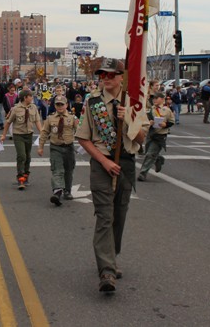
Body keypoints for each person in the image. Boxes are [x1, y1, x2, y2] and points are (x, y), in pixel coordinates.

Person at [76, 58, 147, 293]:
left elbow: (141, 139)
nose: (105, 79)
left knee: (119, 216)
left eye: (110, 75)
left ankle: (111, 257)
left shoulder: (134, 104)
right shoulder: (93, 103)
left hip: (125, 164)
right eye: (102, 75)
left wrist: (127, 118)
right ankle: (106, 271)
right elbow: (84, 138)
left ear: (121, 77)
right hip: (102, 164)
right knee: (104, 217)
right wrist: (105, 161)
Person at [38, 94, 79, 205]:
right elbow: (44, 133)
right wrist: (40, 147)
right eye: (57, 105)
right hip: (56, 147)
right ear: (55, 106)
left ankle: (67, 191)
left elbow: (79, 132)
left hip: (69, 148)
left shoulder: (72, 118)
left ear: (66, 105)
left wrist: (84, 147)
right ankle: (57, 192)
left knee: (68, 171)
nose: (60, 107)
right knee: (57, 170)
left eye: (62, 104)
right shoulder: (50, 118)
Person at [0, 88, 42, 190]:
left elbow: (37, 121)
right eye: (30, 96)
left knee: (28, 156)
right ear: (25, 97)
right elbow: (8, 122)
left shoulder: (33, 107)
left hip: (29, 134)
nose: (32, 98)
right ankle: (20, 178)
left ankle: (26, 174)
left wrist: (42, 132)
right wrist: (3, 135)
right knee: (21, 155)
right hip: (18, 135)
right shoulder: (15, 109)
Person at [138, 91, 175, 181]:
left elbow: (171, 121)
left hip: (160, 135)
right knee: (148, 153)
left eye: (156, 98)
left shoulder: (167, 110)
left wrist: (165, 124)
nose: (154, 100)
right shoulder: (151, 109)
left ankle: (143, 173)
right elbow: (144, 119)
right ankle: (158, 159)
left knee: (150, 154)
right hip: (151, 134)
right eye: (154, 98)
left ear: (162, 99)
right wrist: (148, 122)